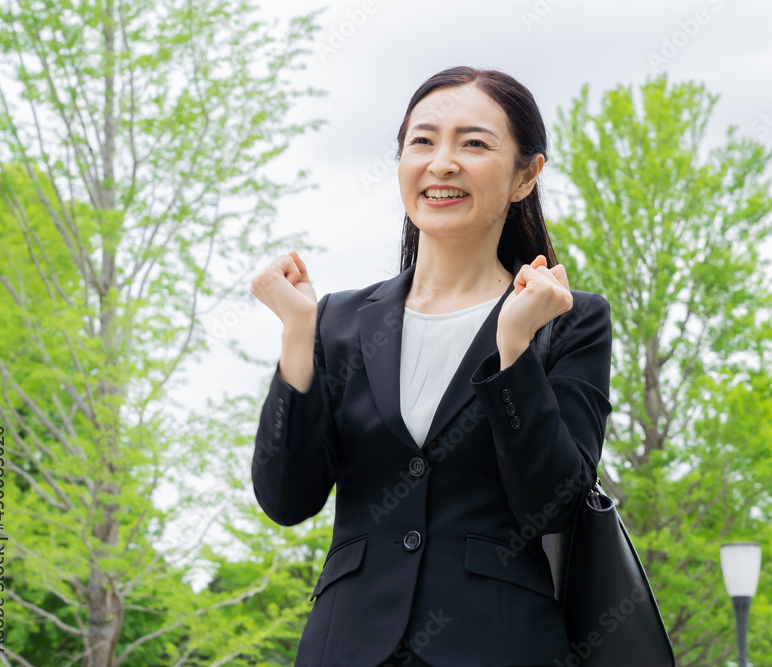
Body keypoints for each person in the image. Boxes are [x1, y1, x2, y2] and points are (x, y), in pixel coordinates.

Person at [249, 65, 613, 667]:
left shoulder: (567, 320)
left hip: (501, 647)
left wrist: (515, 349)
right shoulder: (337, 321)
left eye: (473, 143)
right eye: (422, 141)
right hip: (346, 646)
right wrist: (297, 337)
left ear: (527, 175)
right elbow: (286, 499)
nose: (442, 162)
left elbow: (551, 506)